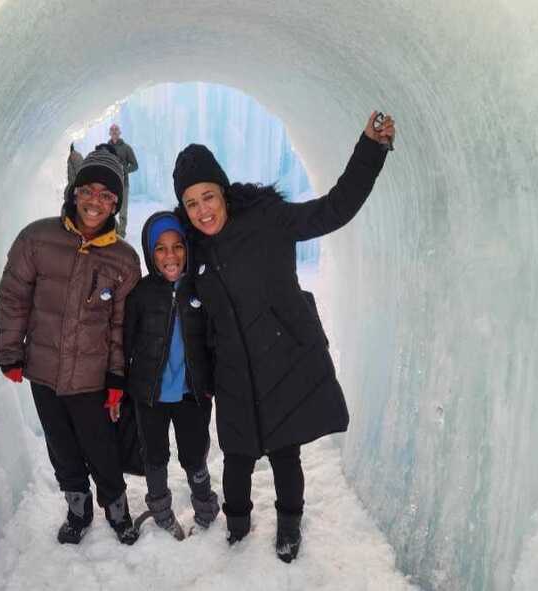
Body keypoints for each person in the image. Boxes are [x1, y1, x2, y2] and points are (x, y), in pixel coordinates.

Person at [171, 112, 396, 562]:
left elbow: (334, 208)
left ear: (224, 192)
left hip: (281, 358)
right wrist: (204, 379)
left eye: (208, 196)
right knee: (235, 456)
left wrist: (371, 148)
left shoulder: (268, 219)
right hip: (233, 371)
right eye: (192, 203)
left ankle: (290, 523)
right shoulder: (194, 251)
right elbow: (195, 323)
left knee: (284, 452)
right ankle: (237, 526)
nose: (203, 210)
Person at [0, 149, 142, 546]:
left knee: (102, 448)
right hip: (43, 370)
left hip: (92, 378)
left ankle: (117, 508)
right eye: (89, 191)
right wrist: (10, 351)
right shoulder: (36, 238)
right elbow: (14, 296)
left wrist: (116, 377)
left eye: (107, 196)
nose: (96, 201)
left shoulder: (124, 260)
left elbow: (119, 327)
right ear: (74, 192)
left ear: (116, 204)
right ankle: (77, 507)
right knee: (62, 446)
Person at [123, 212, 220, 539]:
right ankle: (161, 511)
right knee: (155, 455)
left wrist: (213, 382)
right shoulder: (142, 293)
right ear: (151, 255)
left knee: (194, 454)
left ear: (187, 249)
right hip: (150, 394)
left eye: (177, 246)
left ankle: (205, 506)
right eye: (161, 249)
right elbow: (124, 341)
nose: (170, 256)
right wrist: (119, 385)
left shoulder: (201, 289)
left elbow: (215, 341)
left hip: (192, 393)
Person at [108, 123, 139, 238]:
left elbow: (135, 165)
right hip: (110, 184)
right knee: (109, 207)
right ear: (109, 133)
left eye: (116, 129)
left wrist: (124, 170)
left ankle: (121, 233)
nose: (114, 131)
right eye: (112, 130)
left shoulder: (126, 148)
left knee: (122, 210)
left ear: (119, 132)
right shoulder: (107, 148)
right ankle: (113, 230)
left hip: (123, 184)